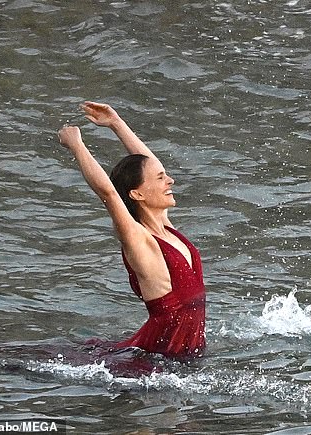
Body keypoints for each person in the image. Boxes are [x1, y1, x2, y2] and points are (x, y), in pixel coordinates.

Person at [58, 102, 206, 359]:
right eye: (161, 179)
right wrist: (77, 146)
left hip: (187, 354)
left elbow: (151, 165)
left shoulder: (166, 227)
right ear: (137, 193)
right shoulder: (139, 239)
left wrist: (116, 124)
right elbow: (107, 192)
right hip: (158, 360)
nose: (169, 180)